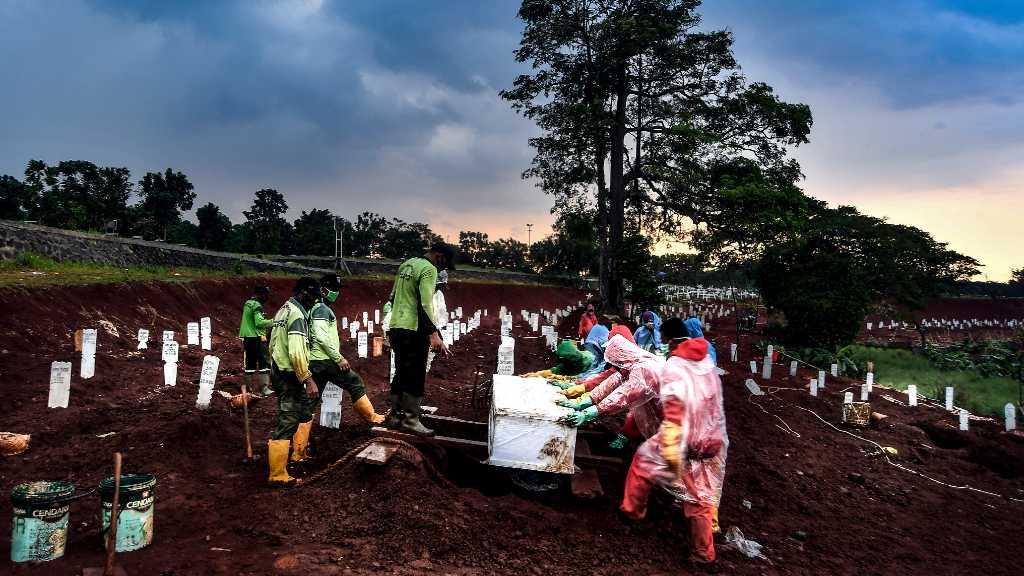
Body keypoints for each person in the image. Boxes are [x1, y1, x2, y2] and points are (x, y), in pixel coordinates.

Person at [619, 317, 727, 565]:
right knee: (699, 494)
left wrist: (670, 445)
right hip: (713, 436)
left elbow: (676, 408)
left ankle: (632, 512)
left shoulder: (674, 365)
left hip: (686, 434)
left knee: (643, 462)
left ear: (667, 340)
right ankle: (703, 553)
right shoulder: (706, 360)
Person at [386, 242, 455, 436]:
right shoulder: (429, 269)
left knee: (400, 372)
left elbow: (392, 297)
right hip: (414, 329)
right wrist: (433, 335)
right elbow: (425, 304)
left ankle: (396, 417)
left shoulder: (406, 264)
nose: (443, 269)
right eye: (445, 264)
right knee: (415, 375)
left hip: (396, 326)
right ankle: (411, 420)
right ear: (440, 257)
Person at [308, 273, 385, 434]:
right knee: (354, 382)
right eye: (333, 289)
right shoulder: (321, 309)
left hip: (315, 361)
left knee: (311, 401)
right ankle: (372, 417)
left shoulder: (315, 307)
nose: (336, 292)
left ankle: (299, 446)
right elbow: (321, 337)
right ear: (322, 290)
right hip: (326, 360)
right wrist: (339, 358)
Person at [266, 277, 322, 487]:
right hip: (290, 375)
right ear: (304, 294)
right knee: (288, 418)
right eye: (313, 297)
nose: (314, 302)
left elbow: (272, 341)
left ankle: (299, 453)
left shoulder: (283, 309)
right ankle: (277, 474)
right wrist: (308, 379)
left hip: (280, 371)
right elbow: (297, 351)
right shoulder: (297, 315)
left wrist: (274, 369)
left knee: (303, 412)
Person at [557, 335, 664, 440]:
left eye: (616, 364)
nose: (616, 368)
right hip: (653, 419)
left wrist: (591, 412)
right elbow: (609, 384)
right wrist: (583, 402)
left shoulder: (645, 369)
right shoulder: (629, 366)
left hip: (667, 419)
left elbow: (623, 396)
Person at [238, 285, 276, 395]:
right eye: (266, 295)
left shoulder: (248, 303)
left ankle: (249, 389)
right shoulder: (257, 305)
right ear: (261, 294)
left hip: (247, 338)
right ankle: (264, 389)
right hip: (257, 337)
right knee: (264, 362)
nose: (267, 298)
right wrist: (274, 321)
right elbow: (259, 322)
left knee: (250, 364)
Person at [425, 270, 449, 372]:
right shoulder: (425, 294)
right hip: (423, 330)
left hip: (432, 330)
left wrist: (438, 335)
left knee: (427, 357)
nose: (440, 288)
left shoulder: (438, 295)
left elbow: (440, 316)